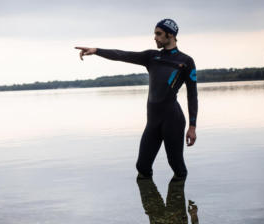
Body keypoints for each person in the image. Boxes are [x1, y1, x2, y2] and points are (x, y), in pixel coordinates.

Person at [75, 18, 198, 180]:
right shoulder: (151, 57)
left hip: (173, 120)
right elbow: (122, 55)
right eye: (155, 34)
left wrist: (192, 126)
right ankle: (154, 204)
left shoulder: (186, 62)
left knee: (176, 164)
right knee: (142, 166)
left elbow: (192, 95)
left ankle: (179, 201)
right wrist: (97, 50)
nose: (155, 37)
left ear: (170, 35)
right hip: (153, 121)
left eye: (158, 34)